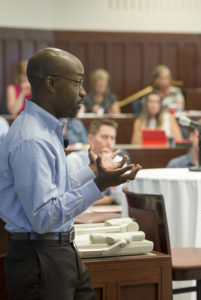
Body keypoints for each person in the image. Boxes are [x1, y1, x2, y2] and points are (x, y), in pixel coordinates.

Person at [0, 47, 141, 300]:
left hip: (59, 250)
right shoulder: (32, 138)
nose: (83, 92)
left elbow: (57, 187)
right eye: (77, 83)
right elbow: (43, 217)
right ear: (51, 83)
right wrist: (98, 184)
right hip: (40, 257)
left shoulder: (47, 128)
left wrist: (94, 171)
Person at [67, 119, 126, 208]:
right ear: (91, 138)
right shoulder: (74, 160)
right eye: (104, 137)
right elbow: (69, 199)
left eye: (112, 138)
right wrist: (108, 199)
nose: (109, 143)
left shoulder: (119, 161)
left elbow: (124, 200)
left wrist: (113, 174)